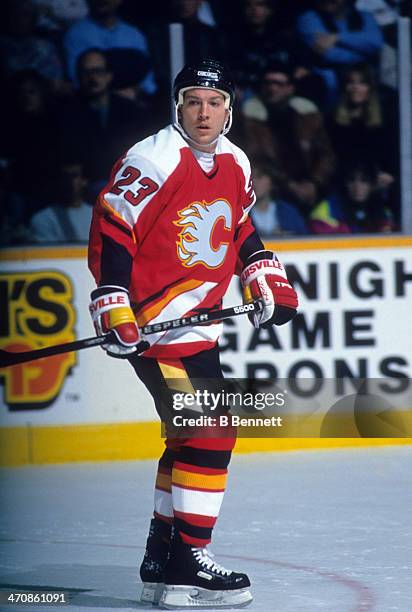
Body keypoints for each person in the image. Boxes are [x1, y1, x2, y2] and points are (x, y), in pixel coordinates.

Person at [88, 58, 298, 608]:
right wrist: (113, 297)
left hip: (197, 324)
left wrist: (260, 269)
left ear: (229, 109)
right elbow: (115, 223)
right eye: (192, 101)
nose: (203, 113)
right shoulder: (153, 158)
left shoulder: (235, 160)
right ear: (176, 105)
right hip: (154, 326)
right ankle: (187, 563)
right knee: (211, 427)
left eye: (214, 102)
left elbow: (240, 223)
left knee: (189, 434)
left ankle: (162, 555)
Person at [242, 61, 335, 214]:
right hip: (275, 193)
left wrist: (314, 183)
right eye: (268, 83)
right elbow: (258, 159)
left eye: (279, 83)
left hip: (313, 190)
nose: (272, 88)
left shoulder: (308, 114)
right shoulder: (250, 118)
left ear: (290, 88)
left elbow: (326, 154)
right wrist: (290, 185)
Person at [59, 49, 150, 201]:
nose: (92, 78)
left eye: (98, 71)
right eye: (86, 72)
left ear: (109, 75)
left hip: (128, 186)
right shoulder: (66, 112)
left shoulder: (131, 111)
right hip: (85, 190)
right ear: (78, 77)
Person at [296, 0, 383, 106]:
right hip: (329, 89)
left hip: (363, 85)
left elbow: (376, 43)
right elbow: (328, 54)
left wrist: (337, 38)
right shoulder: (309, 18)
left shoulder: (365, 17)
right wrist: (364, 51)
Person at [30, 160, 92, 242]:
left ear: (84, 181)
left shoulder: (97, 215)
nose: (69, 181)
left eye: (74, 176)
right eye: (65, 176)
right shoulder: (43, 218)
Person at [250, 157, 308, 236]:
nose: (254, 182)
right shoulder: (240, 215)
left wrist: (286, 236)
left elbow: (305, 239)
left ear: (272, 181)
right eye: (251, 177)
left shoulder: (288, 211)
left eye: (259, 177)